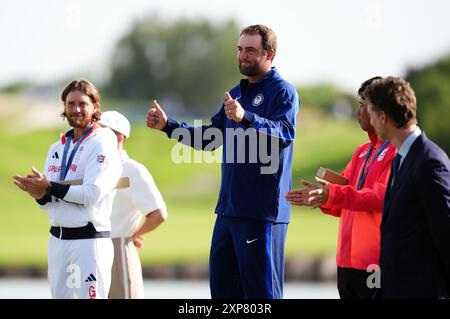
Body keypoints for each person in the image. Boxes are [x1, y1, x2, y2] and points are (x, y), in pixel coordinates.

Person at [146, 24, 299, 299]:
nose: (243, 56)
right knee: (222, 291)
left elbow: (284, 134)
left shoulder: (283, 92)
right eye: (240, 49)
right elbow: (211, 137)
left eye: (251, 50)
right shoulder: (236, 93)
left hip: (261, 214)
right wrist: (169, 126)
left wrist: (246, 118)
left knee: (261, 295)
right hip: (228, 211)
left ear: (269, 54)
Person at [285, 77, 396, 299]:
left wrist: (333, 194)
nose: (357, 111)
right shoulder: (361, 152)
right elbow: (343, 201)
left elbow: (380, 198)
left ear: (379, 110)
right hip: (346, 263)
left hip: (374, 262)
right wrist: (321, 197)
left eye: (362, 105)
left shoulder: (395, 151)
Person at [12, 79, 122, 299]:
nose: (76, 109)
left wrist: (49, 186)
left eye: (82, 103)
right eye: (70, 104)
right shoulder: (58, 146)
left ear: (95, 107)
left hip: (89, 241)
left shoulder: (103, 142)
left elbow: (91, 195)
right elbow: (49, 202)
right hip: (58, 241)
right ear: (64, 107)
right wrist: (39, 194)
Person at [365, 76, 450, 298]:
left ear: (382, 117)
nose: (370, 121)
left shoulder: (429, 162)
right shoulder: (402, 158)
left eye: (371, 113)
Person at [97, 111, 168, 299]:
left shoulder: (132, 170)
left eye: (102, 132)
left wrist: (134, 234)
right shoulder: (95, 169)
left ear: (119, 137)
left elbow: (158, 213)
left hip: (118, 249)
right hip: (93, 250)